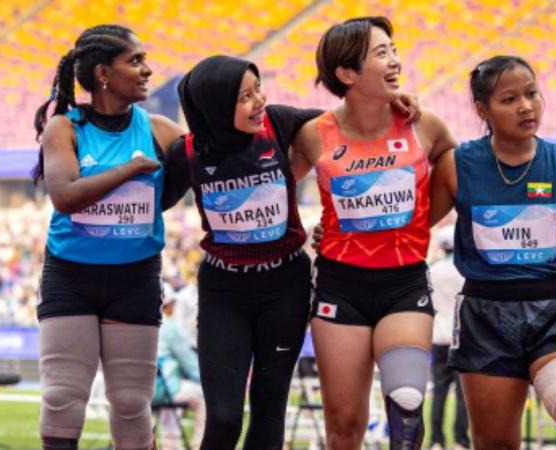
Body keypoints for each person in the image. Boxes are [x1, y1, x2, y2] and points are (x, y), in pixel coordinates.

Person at [165, 54, 419, 450]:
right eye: (244, 97)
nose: (259, 101)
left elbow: (348, 123)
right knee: (224, 419)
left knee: (269, 410)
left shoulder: (280, 123)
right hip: (223, 292)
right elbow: (156, 200)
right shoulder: (189, 152)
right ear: (213, 106)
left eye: (258, 89)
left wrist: (390, 103)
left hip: (284, 286)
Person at [291, 17, 458, 449]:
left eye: (394, 50)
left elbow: (463, 175)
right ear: (347, 74)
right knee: (344, 427)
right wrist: (304, 230)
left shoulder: (426, 125)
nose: (396, 61)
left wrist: (417, 222)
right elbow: (274, 183)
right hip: (338, 286)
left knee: (405, 409)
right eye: (381, 53)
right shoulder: (313, 134)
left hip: (404, 281)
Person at [428, 55, 556, 450]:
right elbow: (414, 225)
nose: (526, 106)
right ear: (482, 110)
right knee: (495, 444)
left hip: (552, 314)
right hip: (485, 317)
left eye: (532, 94)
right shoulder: (456, 165)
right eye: (509, 99)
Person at [32, 24, 184, 450]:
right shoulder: (64, 128)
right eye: (135, 61)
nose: (147, 70)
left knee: (133, 403)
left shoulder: (160, 129)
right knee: (62, 397)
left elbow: (175, 188)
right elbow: (64, 196)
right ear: (103, 73)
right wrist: (131, 169)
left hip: (134, 277)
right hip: (70, 276)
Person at [428, 225, 470, 450]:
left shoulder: (433, 271)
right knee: (463, 394)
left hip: (439, 337)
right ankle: (460, 440)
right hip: (462, 338)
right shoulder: (465, 271)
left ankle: (436, 440)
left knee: (439, 391)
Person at [154, 284, 205, 450]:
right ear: (167, 305)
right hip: (163, 389)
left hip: (139, 390)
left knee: (171, 394)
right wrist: (205, 381)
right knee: (204, 396)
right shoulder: (169, 327)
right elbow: (190, 365)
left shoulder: (139, 324)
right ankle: (200, 446)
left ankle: (171, 444)